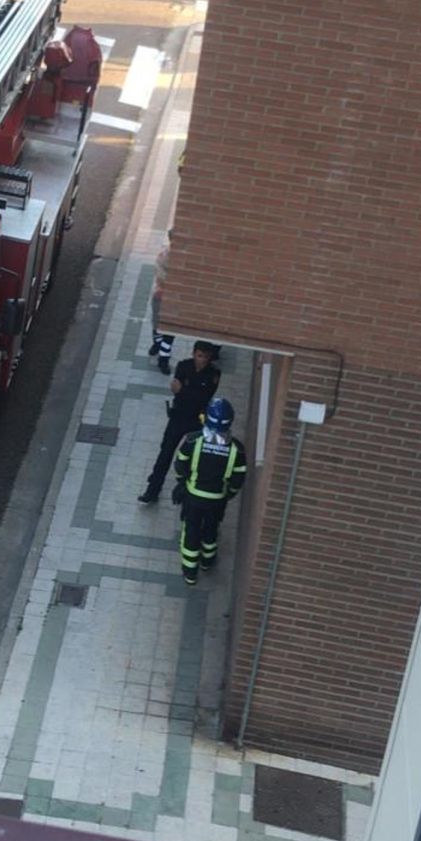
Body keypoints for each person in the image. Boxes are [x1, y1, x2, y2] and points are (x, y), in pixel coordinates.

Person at [172, 396, 247, 584]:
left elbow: (180, 464)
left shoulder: (193, 440)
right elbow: (238, 478)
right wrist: (229, 494)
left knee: (191, 530)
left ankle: (190, 572)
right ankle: (207, 561)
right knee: (211, 529)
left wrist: (182, 483)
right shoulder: (237, 449)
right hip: (217, 499)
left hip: (194, 496)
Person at [138, 340, 222, 505]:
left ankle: (186, 494)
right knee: (165, 454)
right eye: (199, 356)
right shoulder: (183, 366)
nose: (202, 360)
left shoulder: (214, 374)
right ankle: (152, 489)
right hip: (178, 417)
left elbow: (203, 398)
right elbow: (177, 390)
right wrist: (188, 394)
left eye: (206, 357)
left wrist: (184, 391)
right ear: (193, 354)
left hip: (196, 420)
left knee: (192, 459)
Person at [148, 229, 174, 373]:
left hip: (173, 298)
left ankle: (164, 358)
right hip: (161, 295)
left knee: (170, 329)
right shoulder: (164, 256)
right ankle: (157, 344)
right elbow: (161, 275)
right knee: (157, 324)